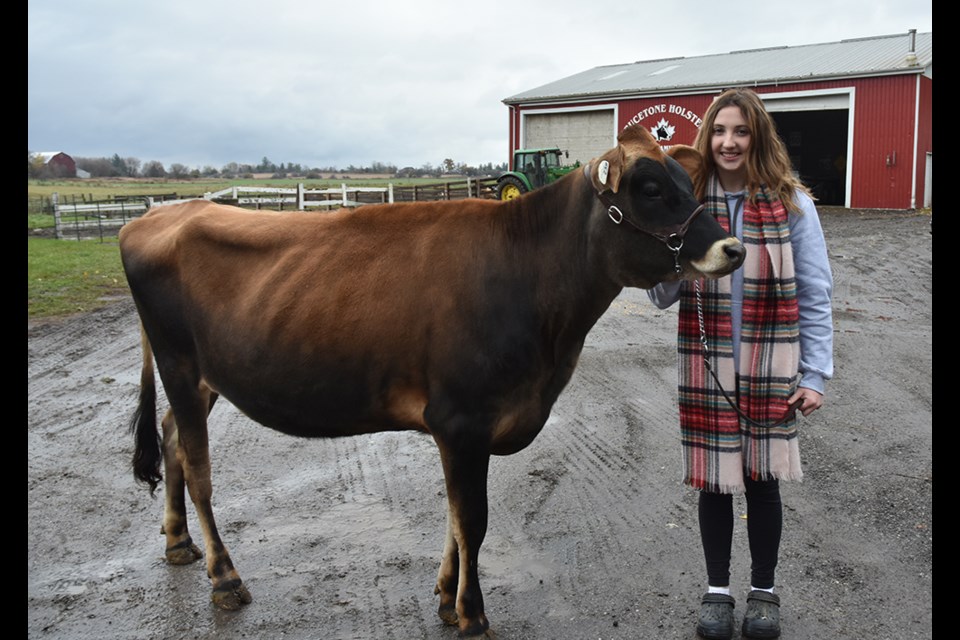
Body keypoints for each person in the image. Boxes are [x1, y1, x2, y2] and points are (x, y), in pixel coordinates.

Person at [648, 88, 834, 640]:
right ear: (708, 137)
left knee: (762, 479)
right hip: (708, 363)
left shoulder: (791, 203)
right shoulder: (690, 202)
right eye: (720, 131)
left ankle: (764, 591)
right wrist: (664, 253)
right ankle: (716, 592)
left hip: (770, 362)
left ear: (758, 137)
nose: (728, 142)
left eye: (741, 131)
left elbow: (816, 290)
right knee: (713, 482)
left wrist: (816, 373)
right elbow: (660, 296)